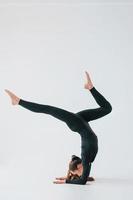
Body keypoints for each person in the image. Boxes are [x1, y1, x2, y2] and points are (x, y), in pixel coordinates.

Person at [5, 71, 112, 185]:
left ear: (78, 166)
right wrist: (69, 179)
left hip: (77, 124)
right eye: (77, 174)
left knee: (50, 110)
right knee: (107, 109)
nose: (80, 174)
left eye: (76, 173)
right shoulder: (87, 162)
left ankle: (18, 102)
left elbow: (81, 181)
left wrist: (67, 180)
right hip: (82, 121)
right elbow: (83, 180)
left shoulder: (85, 159)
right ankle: (90, 88)